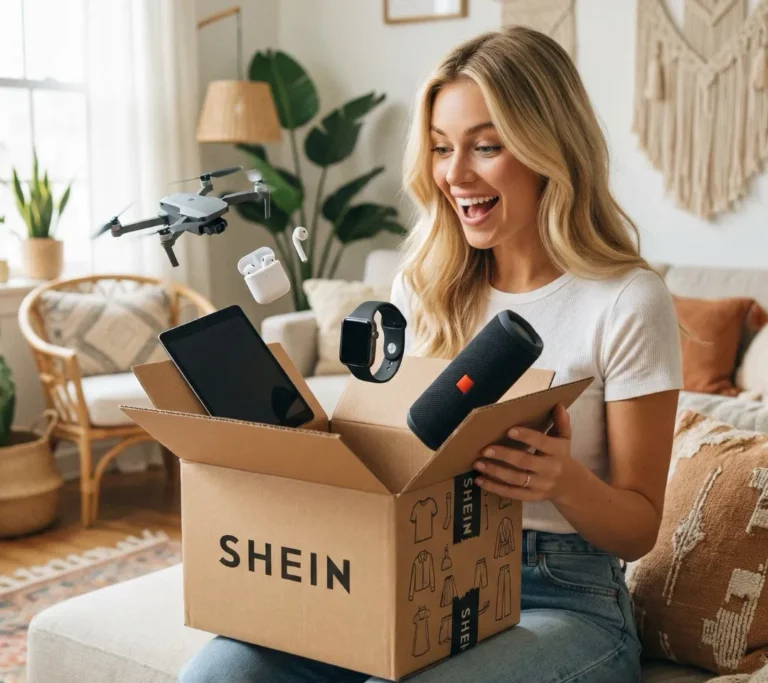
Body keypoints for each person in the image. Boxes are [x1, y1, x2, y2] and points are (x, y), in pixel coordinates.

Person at [178, 25, 683, 683]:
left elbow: (639, 529)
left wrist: (563, 480)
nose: (454, 174)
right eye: (442, 147)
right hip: (418, 573)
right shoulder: (423, 287)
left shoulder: (627, 299)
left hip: (563, 596)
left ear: (550, 148)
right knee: (217, 675)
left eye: (486, 146)